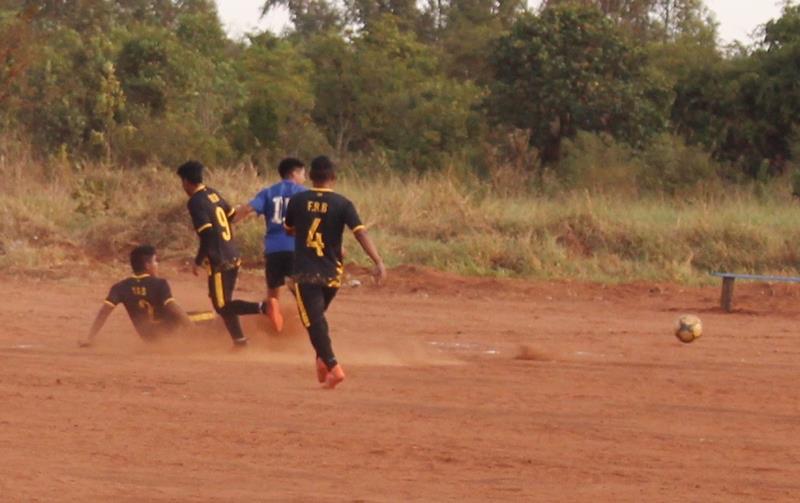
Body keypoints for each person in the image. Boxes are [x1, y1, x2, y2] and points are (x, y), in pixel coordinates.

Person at [284, 156, 386, 389]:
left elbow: (289, 230)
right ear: (334, 178)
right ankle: (321, 360)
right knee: (317, 318)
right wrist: (378, 261)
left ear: (310, 176)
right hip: (332, 274)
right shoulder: (343, 203)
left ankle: (333, 366)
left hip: (305, 274)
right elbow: (361, 233)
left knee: (313, 321)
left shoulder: (298, 200)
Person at [177, 160, 283, 347]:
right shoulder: (212, 193)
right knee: (225, 302)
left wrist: (198, 260)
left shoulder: (195, 202)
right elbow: (233, 216)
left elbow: (207, 234)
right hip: (233, 254)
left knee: (223, 305)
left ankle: (264, 307)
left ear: (186, 181)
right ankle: (240, 341)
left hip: (219, 260)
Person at [80, 245, 192, 347]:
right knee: (207, 317)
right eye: (155, 261)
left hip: (148, 338)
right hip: (170, 334)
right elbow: (173, 307)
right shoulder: (160, 283)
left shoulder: (120, 287)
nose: (157, 264)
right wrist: (192, 328)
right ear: (147, 265)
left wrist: (89, 338)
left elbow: (104, 312)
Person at [234, 158, 307, 310]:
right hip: (296, 248)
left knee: (273, 292)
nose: (304, 178)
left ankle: (272, 322)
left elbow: (248, 209)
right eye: (303, 174)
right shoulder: (305, 193)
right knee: (302, 291)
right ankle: (307, 319)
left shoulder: (269, 192)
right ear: (294, 173)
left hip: (273, 249)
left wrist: (230, 221)